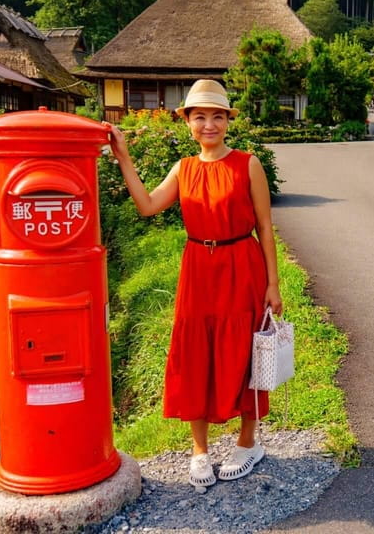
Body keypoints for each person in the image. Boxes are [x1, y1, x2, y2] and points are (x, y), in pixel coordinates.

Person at [106, 79, 282, 488]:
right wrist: (124, 159)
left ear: (227, 121)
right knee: (195, 353)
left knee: (248, 353)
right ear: (186, 121)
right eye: (199, 116)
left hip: (243, 266)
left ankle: (247, 443)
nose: (209, 124)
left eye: (217, 116)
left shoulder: (247, 164)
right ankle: (200, 450)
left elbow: (266, 226)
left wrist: (273, 284)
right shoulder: (182, 169)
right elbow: (148, 206)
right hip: (199, 270)